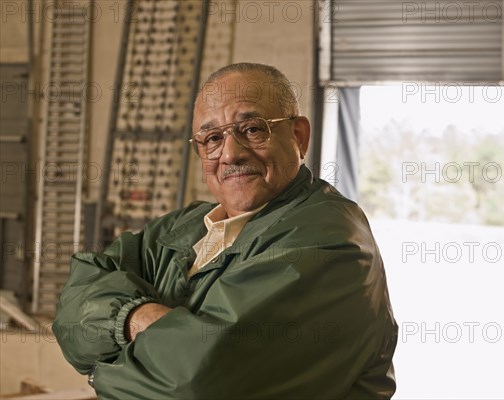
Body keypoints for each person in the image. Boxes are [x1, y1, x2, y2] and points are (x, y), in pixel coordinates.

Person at [53, 63, 398, 399]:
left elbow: (200, 383)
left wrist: (102, 370)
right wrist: (133, 317)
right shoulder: (185, 226)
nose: (230, 153)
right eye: (212, 138)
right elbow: (72, 308)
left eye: (252, 129)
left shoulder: (330, 237)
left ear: (298, 136)